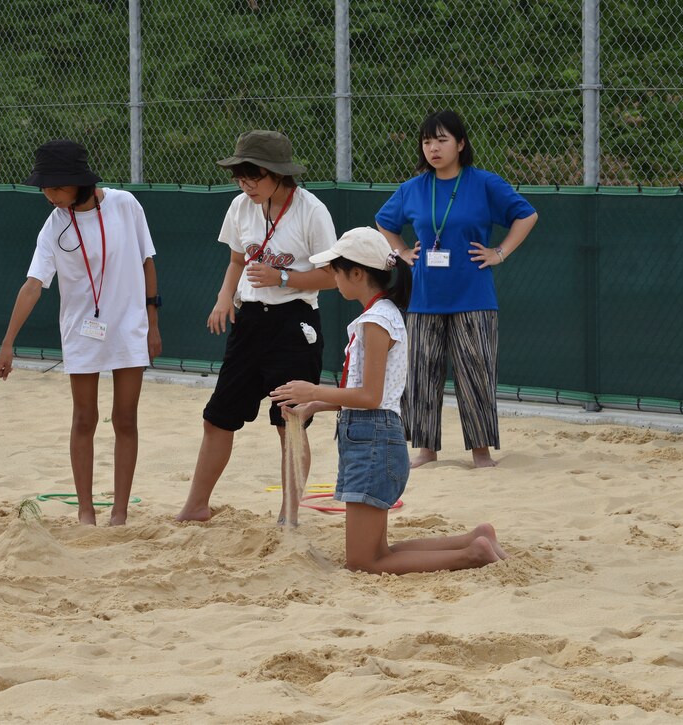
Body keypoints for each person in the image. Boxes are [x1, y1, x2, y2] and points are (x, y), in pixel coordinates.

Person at [269, 228, 506, 573]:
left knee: (364, 562)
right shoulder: (381, 314)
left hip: (373, 441)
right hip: (373, 437)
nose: (333, 277)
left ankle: (473, 554)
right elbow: (370, 393)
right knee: (377, 550)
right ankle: (473, 539)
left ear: (357, 273)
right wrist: (316, 404)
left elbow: (370, 396)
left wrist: (314, 390)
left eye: (336, 270)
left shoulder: (376, 320)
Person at [0, 140, 162, 526]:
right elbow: (34, 284)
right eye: (44, 189)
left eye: (55, 188)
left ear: (78, 182)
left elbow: (147, 261)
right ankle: (86, 511)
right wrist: (7, 344)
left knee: (126, 419)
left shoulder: (125, 204)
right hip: (83, 332)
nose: (48, 196)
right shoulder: (55, 223)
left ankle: (119, 512)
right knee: (84, 418)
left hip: (128, 326)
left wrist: (153, 323)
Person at [175, 130, 337, 526]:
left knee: (290, 421)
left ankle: (289, 517)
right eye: (240, 175)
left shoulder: (311, 211)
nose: (246, 184)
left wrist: (283, 279)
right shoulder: (241, 206)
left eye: (254, 175)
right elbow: (236, 260)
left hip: (294, 324)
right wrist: (223, 297)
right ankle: (195, 506)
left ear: (279, 174)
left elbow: (333, 275)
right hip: (249, 321)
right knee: (218, 416)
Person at [375, 110, 538, 468]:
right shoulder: (413, 188)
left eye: (442, 140)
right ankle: (425, 450)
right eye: (427, 141)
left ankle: (481, 452)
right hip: (424, 299)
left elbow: (526, 215)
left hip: (474, 297)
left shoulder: (483, 183)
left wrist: (500, 252)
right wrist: (402, 251)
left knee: (475, 372)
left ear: (461, 144)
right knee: (420, 374)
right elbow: (384, 222)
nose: (433, 148)